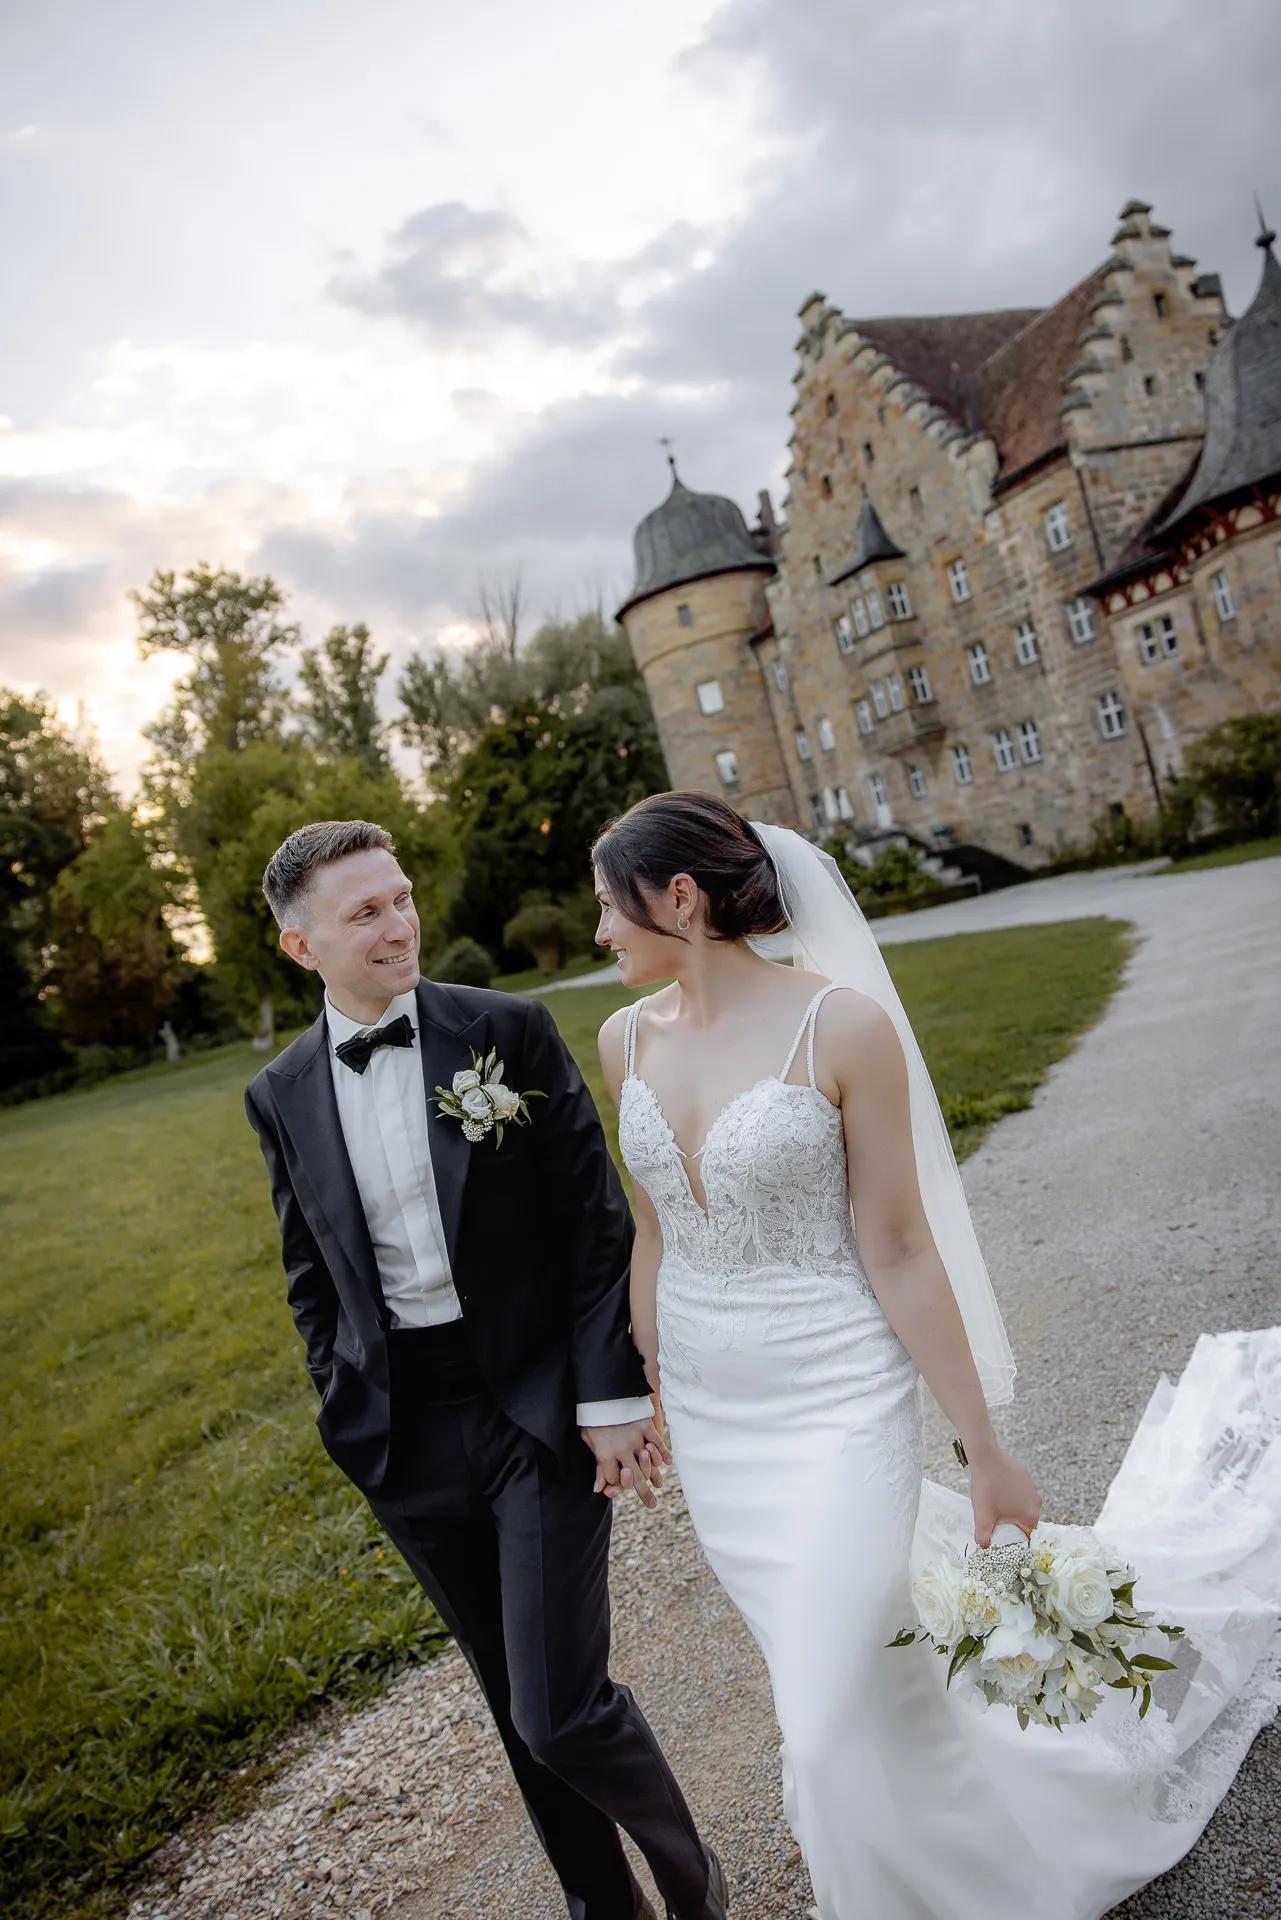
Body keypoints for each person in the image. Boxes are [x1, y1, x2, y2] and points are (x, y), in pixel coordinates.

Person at [593, 790, 1281, 1920]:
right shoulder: (624, 1039)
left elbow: (902, 1248)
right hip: (720, 1417)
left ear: (681, 896)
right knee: (852, 1675)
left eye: (610, 907)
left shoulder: (843, 1027)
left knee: (820, 1709)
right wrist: (653, 1384)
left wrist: (985, 1448)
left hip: (836, 1394)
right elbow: (655, 1233)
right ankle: (924, 1835)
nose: (600, 934)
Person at [245, 818, 728, 1920]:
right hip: (404, 1435)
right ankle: (605, 1908)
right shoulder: (277, 1094)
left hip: (536, 1407)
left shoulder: (504, 1031)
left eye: (402, 896)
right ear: (299, 946)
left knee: (560, 1709)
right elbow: (307, 1269)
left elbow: (595, 1227)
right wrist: (343, 1401)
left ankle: (694, 1891)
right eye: (365, 911)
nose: (400, 923)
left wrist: (611, 1398)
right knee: (513, 1703)